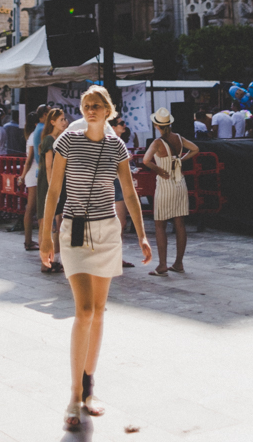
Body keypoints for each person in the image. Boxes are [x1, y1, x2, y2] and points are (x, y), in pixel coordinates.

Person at [40, 86, 151, 432]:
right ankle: (74, 394)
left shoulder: (116, 146)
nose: (89, 110)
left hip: (107, 232)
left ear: (108, 111)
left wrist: (143, 235)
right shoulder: (67, 143)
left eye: (96, 106)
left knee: (100, 312)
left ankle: (89, 391)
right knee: (84, 310)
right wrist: (46, 236)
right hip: (73, 231)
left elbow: (130, 192)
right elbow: (54, 191)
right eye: (86, 105)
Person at [142, 107, 199, 275]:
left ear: (156, 125)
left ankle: (162, 265)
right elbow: (195, 148)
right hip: (180, 183)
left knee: (160, 224)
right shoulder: (179, 139)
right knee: (179, 223)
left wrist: (158, 169)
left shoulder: (157, 143)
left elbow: (146, 160)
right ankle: (178, 263)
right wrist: (181, 159)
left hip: (165, 184)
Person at [38, 108, 68, 274]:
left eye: (65, 119)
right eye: (61, 119)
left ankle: (52, 260)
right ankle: (45, 262)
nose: (64, 122)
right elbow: (48, 166)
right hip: (49, 184)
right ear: (52, 122)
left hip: (59, 183)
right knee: (46, 222)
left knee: (57, 222)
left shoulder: (60, 138)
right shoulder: (49, 139)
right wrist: (52, 189)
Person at [110, 116, 135, 267]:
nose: (124, 125)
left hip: (117, 182)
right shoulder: (113, 141)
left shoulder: (116, 140)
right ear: (113, 126)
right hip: (115, 182)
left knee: (120, 222)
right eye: (121, 124)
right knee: (119, 222)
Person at [17, 111, 40, 251]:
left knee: (33, 208)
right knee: (31, 208)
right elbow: (29, 159)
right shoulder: (33, 137)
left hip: (34, 174)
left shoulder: (33, 135)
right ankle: (28, 241)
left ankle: (30, 240)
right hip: (33, 174)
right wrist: (23, 176)